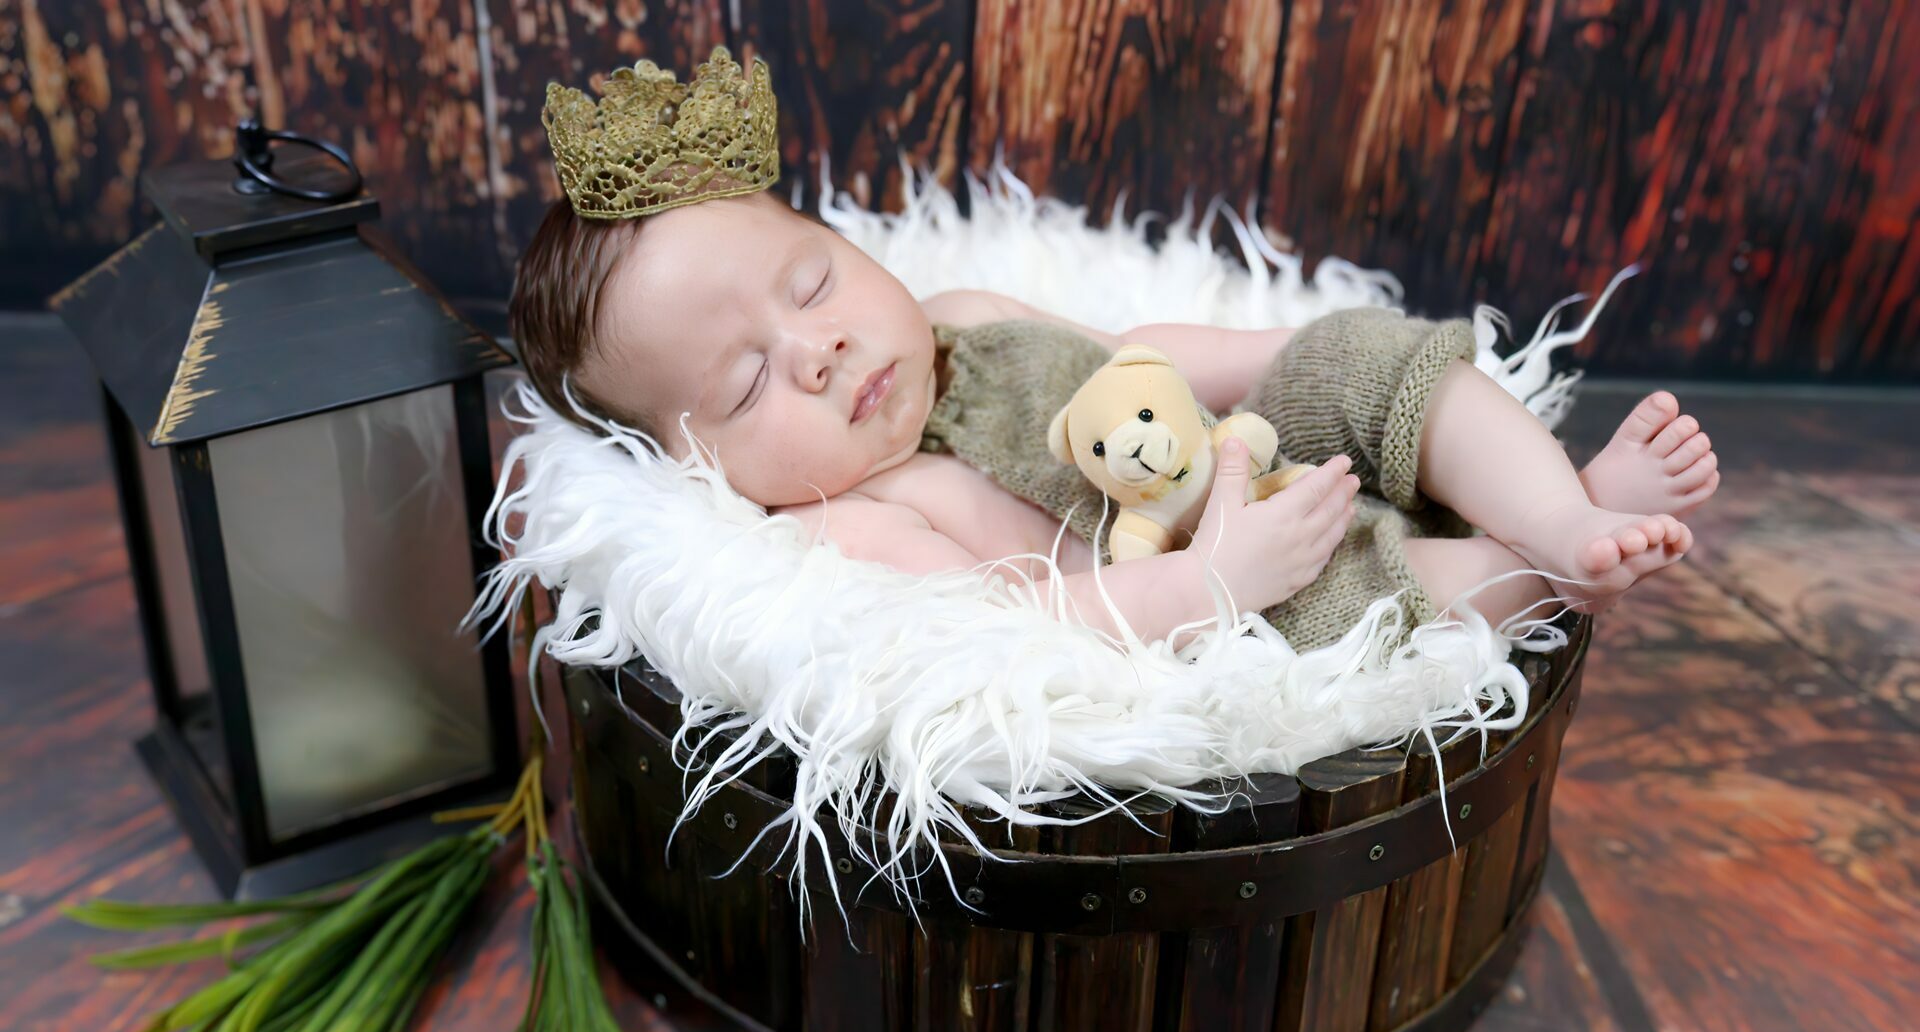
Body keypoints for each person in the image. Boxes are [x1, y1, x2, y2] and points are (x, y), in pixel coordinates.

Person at [516, 51, 1720, 654]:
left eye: (812, 281)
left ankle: (1559, 511)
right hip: (1215, 566)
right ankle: (1550, 572)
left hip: (1237, 440)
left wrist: (1285, 351)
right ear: (694, 464)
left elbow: (1134, 358)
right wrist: (1217, 582)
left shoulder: (962, 313)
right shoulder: (858, 520)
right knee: (1360, 598)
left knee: (1376, 358)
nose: (816, 348)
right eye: (745, 383)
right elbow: (1036, 626)